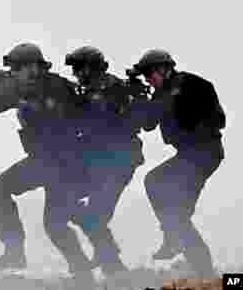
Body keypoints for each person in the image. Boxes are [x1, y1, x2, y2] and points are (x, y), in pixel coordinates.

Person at [0, 43, 94, 286]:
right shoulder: (23, 88)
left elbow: (51, 110)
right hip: (45, 161)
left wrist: (11, 91)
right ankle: (18, 254)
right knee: (4, 193)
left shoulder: (57, 87)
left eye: (16, 69)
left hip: (63, 162)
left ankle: (83, 273)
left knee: (51, 222)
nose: (13, 73)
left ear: (33, 68)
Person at [130, 49, 225, 279]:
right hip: (188, 155)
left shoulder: (193, 84)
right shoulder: (160, 94)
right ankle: (197, 264)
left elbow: (219, 119)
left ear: (164, 68)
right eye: (145, 77)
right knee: (172, 207)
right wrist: (139, 98)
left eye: (150, 74)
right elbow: (148, 124)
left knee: (171, 204)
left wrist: (182, 111)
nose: (148, 80)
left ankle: (198, 265)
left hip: (205, 152)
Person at [65, 46, 145, 278]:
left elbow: (102, 122)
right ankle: (111, 261)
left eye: (79, 68)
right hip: (100, 162)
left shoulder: (111, 88)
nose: (76, 73)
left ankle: (115, 269)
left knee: (95, 216)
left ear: (91, 68)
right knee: (70, 204)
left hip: (118, 162)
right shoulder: (91, 90)